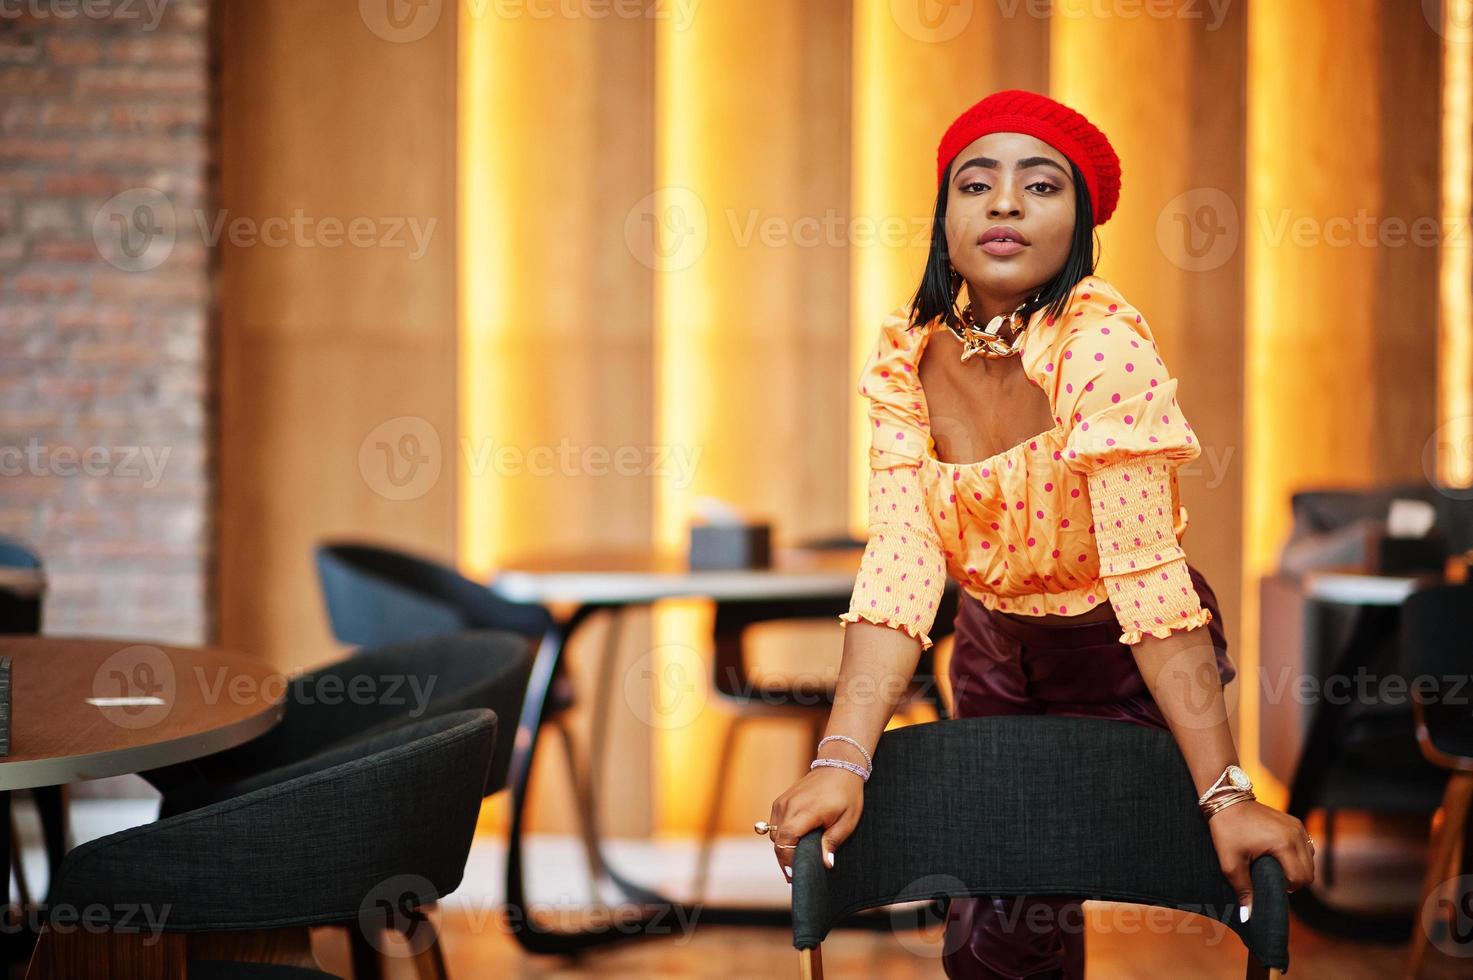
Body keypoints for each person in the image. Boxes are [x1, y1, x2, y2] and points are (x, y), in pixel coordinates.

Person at [761, 90, 1316, 979]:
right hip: (991, 649)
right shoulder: (904, 357)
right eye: (975, 184)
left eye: (1040, 185)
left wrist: (1226, 790)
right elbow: (901, 566)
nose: (1005, 202)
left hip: (1125, 653)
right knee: (998, 933)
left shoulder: (1100, 349)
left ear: (1079, 223)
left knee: (1194, 877)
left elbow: (1146, 579)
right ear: (945, 218)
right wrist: (840, 762)